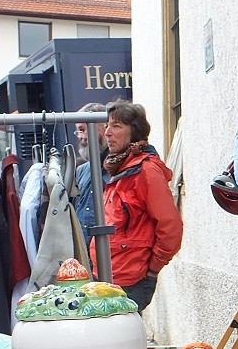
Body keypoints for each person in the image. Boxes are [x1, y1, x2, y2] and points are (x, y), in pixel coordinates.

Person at [89, 101, 183, 312]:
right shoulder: (120, 169)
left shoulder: (145, 171)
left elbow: (171, 226)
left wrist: (153, 267)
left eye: (117, 126)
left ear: (134, 132)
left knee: (122, 340)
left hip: (131, 278)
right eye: (107, 126)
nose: (108, 133)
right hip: (110, 273)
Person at [72, 102, 109, 251]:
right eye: (78, 131)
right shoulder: (81, 171)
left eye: (83, 129)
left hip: (113, 259)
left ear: (104, 127)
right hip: (87, 258)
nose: (82, 137)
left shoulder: (123, 167)